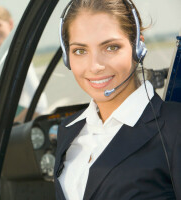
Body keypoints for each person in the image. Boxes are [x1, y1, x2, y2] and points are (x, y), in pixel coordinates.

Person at [54, 0, 181, 199]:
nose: (95, 66)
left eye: (111, 47)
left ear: (138, 47)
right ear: (67, 56)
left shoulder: (175, 127)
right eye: (80, 50)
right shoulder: (68, 129)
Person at [0, 6, 48, 122]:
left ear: (10, 24)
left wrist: (8, 127)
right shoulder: (1, 57)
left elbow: (39, 104)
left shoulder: (17, 58)